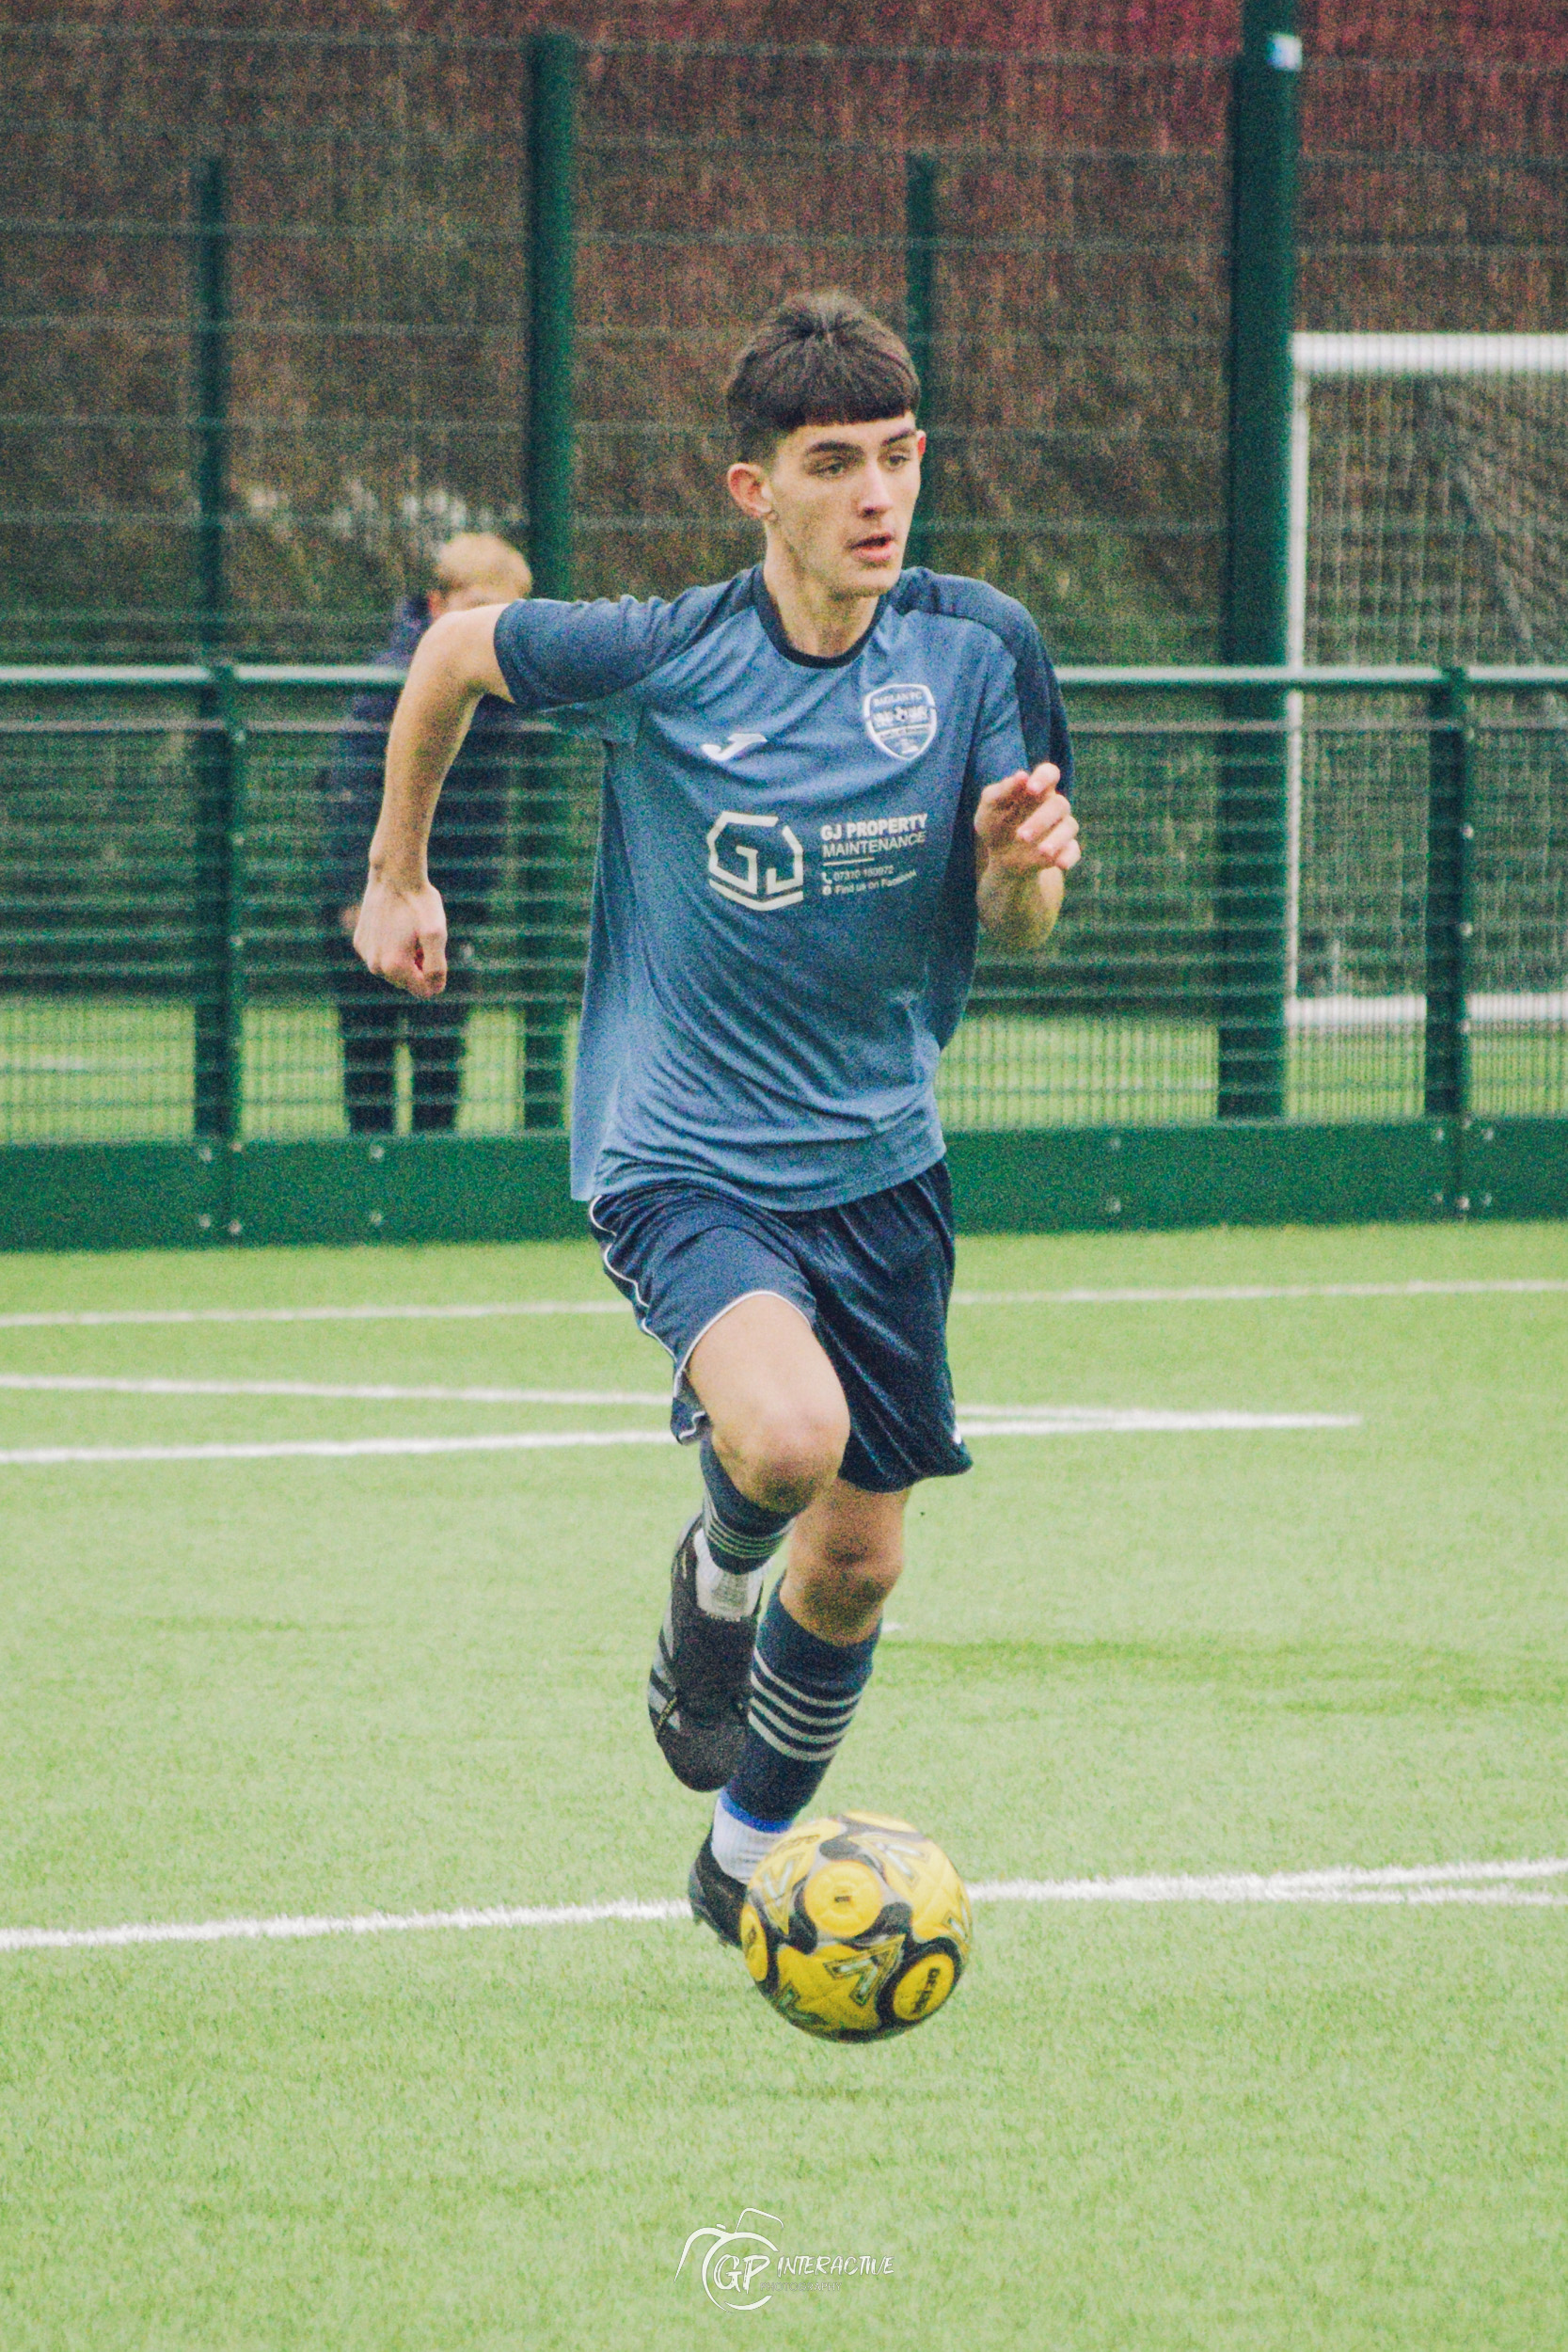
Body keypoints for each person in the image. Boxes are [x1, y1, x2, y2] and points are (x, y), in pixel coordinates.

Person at [352, 293, 1080, 1944]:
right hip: (680, 1157)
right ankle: (713, 1577)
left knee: (861, 1566)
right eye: (832, 465)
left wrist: (1013, 870)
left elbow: (1021, 927)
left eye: (898, 456)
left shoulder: (981, 651)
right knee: (786, 1438)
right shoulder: (668, 655)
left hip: (882, 1163)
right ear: (755, 490)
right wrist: (398, 875)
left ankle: (741, 1866)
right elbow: (453, 656)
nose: (877, 496)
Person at [320, 532, 533, 1132]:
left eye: (505, 616)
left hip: (456, 897)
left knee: (441, 1043)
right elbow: (351, 787)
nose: (489, 628)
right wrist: (356, 892)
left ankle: (428, 1170)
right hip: (379, 892)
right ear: (438, 605)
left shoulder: (505, 679)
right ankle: (372, 1170)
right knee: (369, 1044)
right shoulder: (393, 681)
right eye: (478, 609)